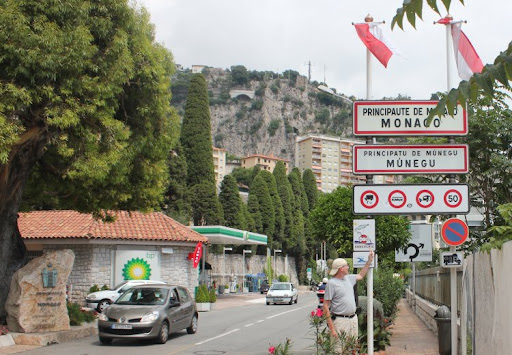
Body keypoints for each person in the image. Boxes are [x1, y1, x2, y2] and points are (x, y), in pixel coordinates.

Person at [322, 250, 374, 341]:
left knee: (352, 348)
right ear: (341, 269)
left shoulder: (348, 278)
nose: (348, 267)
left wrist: (369, 261)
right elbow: (325, 306)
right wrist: (332, 329)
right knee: (339, 349)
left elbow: (361, 275)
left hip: (353, 319)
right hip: (340, 321)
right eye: (346, 266)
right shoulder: (331, 283)